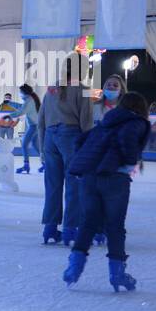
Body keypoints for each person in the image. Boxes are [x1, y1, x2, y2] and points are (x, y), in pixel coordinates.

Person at [62, 92, 151, 293]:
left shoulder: (105, 122)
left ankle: (74, 268)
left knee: (88, 223)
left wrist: (87, 161)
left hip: (89, 178)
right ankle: (117, 273)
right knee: (115, 226)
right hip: (114, 179)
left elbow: (80, 141)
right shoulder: (137, 122)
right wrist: (129, 162)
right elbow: (127, 140)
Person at [37, 72, 94, 245]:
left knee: (52, 185)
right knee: (73, 184)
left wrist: (42, 149)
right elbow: (86, 119)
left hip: (49, 138)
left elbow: (41, 120)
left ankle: (50, 228)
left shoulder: (50, 90)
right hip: (71, 136)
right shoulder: (83, 89)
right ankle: (70, 229)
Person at [14, 84, 41, 174]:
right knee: (35, 145)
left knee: (25, 145)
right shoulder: (30, 99)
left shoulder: (29, 101)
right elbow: (22, 107)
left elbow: (21, 111)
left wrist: (8, 116)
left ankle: (26, 165)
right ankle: (46, 163)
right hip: (36, 125)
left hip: (34, 126)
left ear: (24, 92)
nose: (19, 93)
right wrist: (10, 103)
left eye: (20, 92)